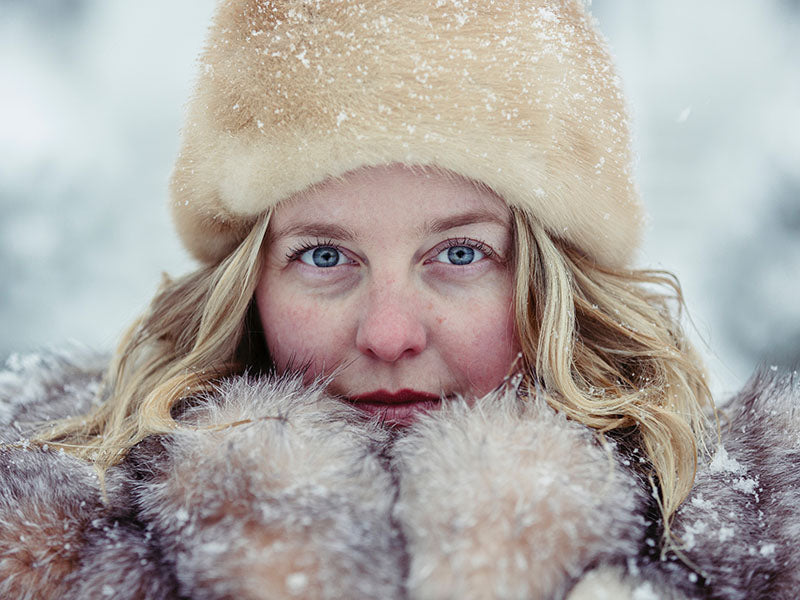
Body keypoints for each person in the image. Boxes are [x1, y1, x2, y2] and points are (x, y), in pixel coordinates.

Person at [0, 1, 797, 598]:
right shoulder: (53, 547)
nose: (388, 335)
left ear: (555, 280)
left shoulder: (751, 545)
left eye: (459, 254)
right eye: (322, 255)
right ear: (246, 284)